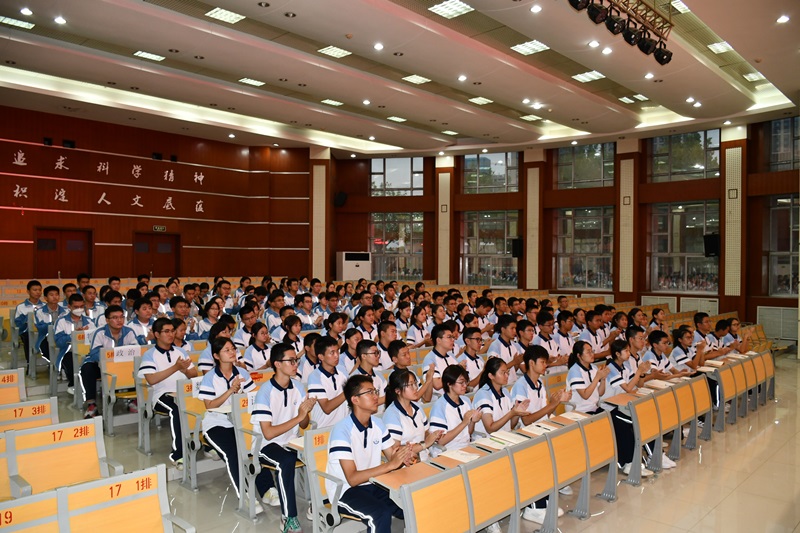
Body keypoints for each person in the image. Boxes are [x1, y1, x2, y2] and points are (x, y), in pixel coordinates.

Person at [326, 374, 411, 533]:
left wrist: (404, 455)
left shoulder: (377, 423)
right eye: (370, 392)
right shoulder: (342, 430)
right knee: (380, 514)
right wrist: (391, 465)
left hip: (373, 484)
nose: (376, 396)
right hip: (345, 491)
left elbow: (392, 455)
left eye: (375, 391)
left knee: (410, 503)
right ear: (355, 399)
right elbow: (353, 479)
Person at [251, 342, 317, 532]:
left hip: (291, 441)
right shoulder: (265, 392)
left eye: (296, 360)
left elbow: (303, 424)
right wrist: (299, 416)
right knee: (286, 461)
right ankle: (288, 517)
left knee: (319, 452)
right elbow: (268, 433)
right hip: (266, 445)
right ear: (277, 364)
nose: (296, 364)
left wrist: (305, 413)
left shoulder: (298, 386)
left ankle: (317, 505)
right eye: (291, 361)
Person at [198, 338, 259, 505]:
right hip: (216, 424)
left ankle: (267, 490)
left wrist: (240, 394)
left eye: (233, 349)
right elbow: (210, 406)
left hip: (240, 422)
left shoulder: (242, 373)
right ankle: (245, 496)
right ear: (216, 356)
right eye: (227, 350)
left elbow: (254, 397)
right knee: (232, 453)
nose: (232, 352)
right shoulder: (210, 377)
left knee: (256, 447)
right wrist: (231, 390)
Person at [138, 317, 198, 469]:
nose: (171, 334)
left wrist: (185, 370)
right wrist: (175, 367)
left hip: (183, 392)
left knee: (204, 402)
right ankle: (178, 455)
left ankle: (208, 444)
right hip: (161, 395)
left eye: (172, 331)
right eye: (166, 331)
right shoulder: (150, 354)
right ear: (157, 334)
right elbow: (151, 379)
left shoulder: (180, 351)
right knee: (176, 409)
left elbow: (194, 374)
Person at [601, 340, 661, 476]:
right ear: (617, 354)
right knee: (634, 423)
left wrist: (642, 373)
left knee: (646, 417)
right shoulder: (611, 368)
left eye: (629, 350)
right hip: (609, 408)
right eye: (626, 351)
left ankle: (655, 455)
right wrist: (639, 371)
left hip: (622, 404)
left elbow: (639, 384)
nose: (629, 353)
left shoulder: (624, 367)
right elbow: (628, 388)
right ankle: (629, 462)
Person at [84, 305, 138, 416]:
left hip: (123, 366)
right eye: (115, 318)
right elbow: (94, 354)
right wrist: (113, 358)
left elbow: (136, 351)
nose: (119, 320)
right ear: (107, 320)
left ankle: (135, 400)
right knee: (87, 368)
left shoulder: (129, 332)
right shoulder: (99, 333)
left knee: (139, 368)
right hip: (101, 366)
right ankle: (91, 404)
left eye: (121, 317)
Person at [382, 369, 443, 463]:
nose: (415, 388)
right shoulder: (392, 415)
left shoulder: (417, 407)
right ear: (398, 391)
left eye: (415, 383)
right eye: (410, 385)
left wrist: (433, 436)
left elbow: (426, 433)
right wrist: (424, 444)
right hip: (406, 464)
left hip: (424, 459)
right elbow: (396, 452)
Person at [473, 357, 529, 436]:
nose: (507, 376)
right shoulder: (483, 394)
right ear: (491, 376)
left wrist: (517, 413)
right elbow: (490, 429)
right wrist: (511, 413)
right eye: (503, 373)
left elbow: (510, 425)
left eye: (507, 372)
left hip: (504, 437)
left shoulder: (505, 392)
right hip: (487, 439)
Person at [53, 293, 93, 394]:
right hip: (68, 351)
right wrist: (74, 335)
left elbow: (96, 339)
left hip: (87, 352)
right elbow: (59, 342)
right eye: (76, 307)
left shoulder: (89, 321)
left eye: (81, 306)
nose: (79, 309)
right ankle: (74, 385)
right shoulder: (61, 321)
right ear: (69, 306)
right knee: (70, 361)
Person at [308, 336, 349, 428]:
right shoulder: (315, 377)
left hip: (343, 426)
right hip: (323, 428)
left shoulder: (342, 370)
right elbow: (327, 408)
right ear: (321, 357)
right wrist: (350, 390)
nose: (337, 355)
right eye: (332, 353)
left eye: (337, 351)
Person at [566, 340, 609, 414]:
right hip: (579, 411)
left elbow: (600, 393)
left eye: (592, 351)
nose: (592, 354)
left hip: (593, 408)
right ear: (579, 355)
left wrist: (603, 379)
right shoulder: (574, 371)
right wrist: (597, 377)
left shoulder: (594, 367)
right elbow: (585, 395)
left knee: (611, 418)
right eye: (588, 352)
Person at [421, 324, 459, 398]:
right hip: (440, 399)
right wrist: (456, 374)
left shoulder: (451, 356)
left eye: (452, 337)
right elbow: (437, 384)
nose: (453, 340)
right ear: (438, 340)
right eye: (449, 337)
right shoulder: (429, 359)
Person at [486, 315, 523, 385]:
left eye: (515, 328)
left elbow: (514, 369)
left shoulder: (515, 345)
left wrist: (518, 363)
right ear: (503, 329)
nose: (515, 331)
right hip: (501, 385)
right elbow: (494, 370)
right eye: (512, 328)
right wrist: (514, 362)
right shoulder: (495, 346)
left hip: (513, 382)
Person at [14, 280, 42, 362]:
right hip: (27, 331)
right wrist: (28, 319)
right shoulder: (21, 307)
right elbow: (18, 324)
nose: (38, 292)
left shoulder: (44, 306)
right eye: (35, 290)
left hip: (42, 331)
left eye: (39, 290)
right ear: (28, 291)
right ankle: (30, 363)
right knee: (28, 337)